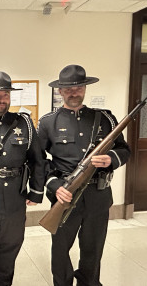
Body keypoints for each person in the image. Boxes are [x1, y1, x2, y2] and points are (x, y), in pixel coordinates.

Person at [37, 65, 131, 286]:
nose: (73, 92)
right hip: (64, 196)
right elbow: (38, 161)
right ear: (60, 91)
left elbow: (124, 149)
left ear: (85, 89)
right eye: (67, 88)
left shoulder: (105, 118)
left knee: (93, 250)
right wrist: (54, 185)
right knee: (60, 251)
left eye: (78, 87)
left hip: (98, 196)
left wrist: (111, 160)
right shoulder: (48, 121)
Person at [0, 72, 45, 286]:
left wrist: (36, 191)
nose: (1, 98)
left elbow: (37, 159)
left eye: (5, 94)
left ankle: (5, 282)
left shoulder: (23, 124)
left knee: (11, 246)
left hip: (16, 196)